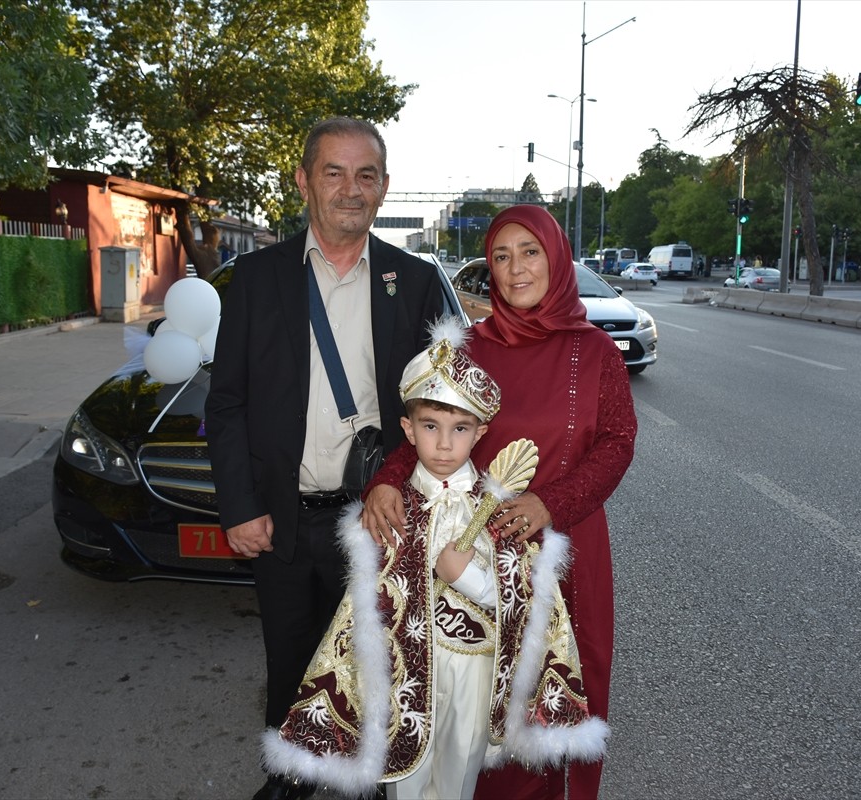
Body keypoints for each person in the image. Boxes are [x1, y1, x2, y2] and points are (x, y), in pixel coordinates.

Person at [262, 317, 607, 799]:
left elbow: (522, 601)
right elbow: (364, 609)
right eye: (430, 426)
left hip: (473, 674)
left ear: (481, 431)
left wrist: (466, 577)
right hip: (406, 678)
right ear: (408, 428)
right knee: (406, 781)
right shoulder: (392, 509)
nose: (444, 444)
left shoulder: (496, 509)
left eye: (459, 428)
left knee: (458, 781)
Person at [204, 116, 448, 800]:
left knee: (373, 662)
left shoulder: (415, 280)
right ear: (304, 181)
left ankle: (366, 779)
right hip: (280, 517)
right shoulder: (255, 279)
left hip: (376, 517)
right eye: (333, 173)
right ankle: (289, 775)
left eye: (365, 175)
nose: (350, 189)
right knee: (289, 662)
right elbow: (225, 405)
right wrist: (240, 507)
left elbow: (436, 409)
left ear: (385, 186)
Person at [362, 205, 638, 800]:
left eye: (529, 252)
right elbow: (428, 428)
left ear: (557, 258)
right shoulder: (466, 349)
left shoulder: (595, 352)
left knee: (565, 692)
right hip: (481, 547)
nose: (515, 270)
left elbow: (617, 445)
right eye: (501, 258)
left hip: (570, 546)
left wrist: (552, 503)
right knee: (487, 691)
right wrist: (386, 479)